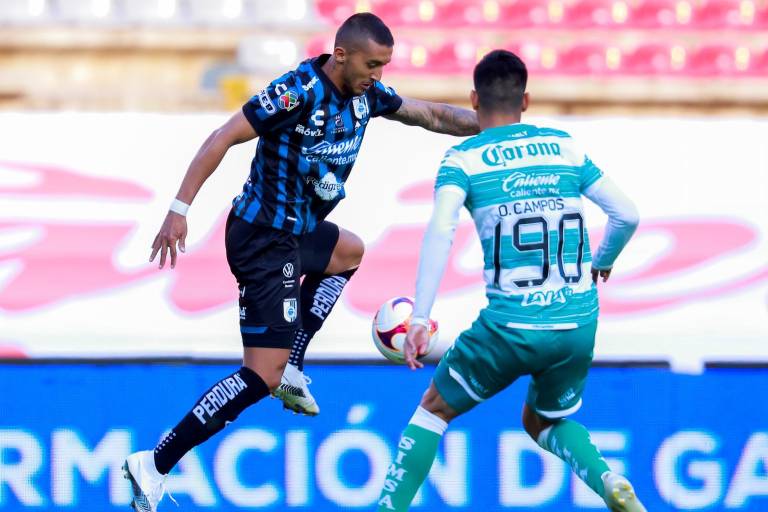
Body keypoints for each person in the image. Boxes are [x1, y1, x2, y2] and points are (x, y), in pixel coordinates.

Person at [122, 12, 479, 512]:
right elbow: (223, 136)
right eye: (372, 65)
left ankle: (293, 359)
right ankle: (154, 464)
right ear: (341, 55)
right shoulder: (295, 93)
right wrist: (179, 209)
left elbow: (433, 116)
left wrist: (495, 127)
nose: (378, 75)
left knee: (349, 251)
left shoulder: (367, 96)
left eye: (384, 65)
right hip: (263, 239)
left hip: (298, 233)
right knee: (259, 377)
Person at [375, 50, 644, 512]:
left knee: (434, 408)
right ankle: (607, 481)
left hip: (512, 326)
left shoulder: (463, 159)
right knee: (543, 422)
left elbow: (441, 229)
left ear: (473, 100)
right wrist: (603, 260)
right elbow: (627, 215)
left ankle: (387, 508)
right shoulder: (564, 146)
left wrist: (420, 317)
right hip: (577, 320)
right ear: (526, 100)